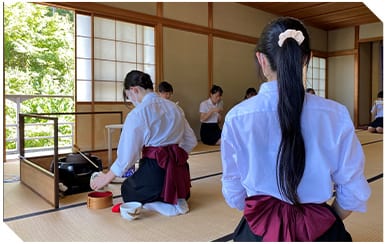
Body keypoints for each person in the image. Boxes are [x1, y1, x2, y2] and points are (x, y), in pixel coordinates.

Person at [221, 17, 370, 241]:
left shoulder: (237, 117)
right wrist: (327, 221)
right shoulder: (335, 114)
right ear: (307, 59)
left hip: (260, 230)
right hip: (319, 229)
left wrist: (265, 218)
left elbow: (234, 192)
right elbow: (353, 192)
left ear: (261, 59)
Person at [90, 70, 197, 216]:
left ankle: (162, 205)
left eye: (129, 96)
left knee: (128, 189)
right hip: (179, 172)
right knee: (157, 185)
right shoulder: (175, 108)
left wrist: (106, 178)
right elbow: (191, 140)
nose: (131, 101)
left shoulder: (138, 113)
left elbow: (128, 156)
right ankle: (176, 198)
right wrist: (176, 156)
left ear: (134, 90)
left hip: (155, 168)